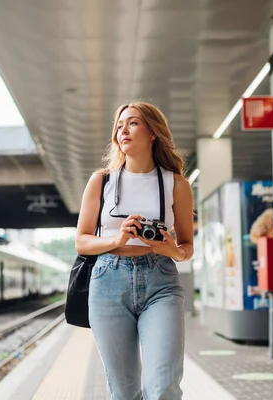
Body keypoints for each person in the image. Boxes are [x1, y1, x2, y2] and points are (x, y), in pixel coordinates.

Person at [75, 101, 194, 400]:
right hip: (108, 282)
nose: (122, 131)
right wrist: (117, 240)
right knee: (124, 392)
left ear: (153, 132)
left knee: (162, 387)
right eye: (119, 126)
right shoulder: (101, 181)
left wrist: (171, 250)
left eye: (132, 123)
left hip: (161, 283)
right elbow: (82, 241)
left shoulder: (176, 184)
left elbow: (186, 247)